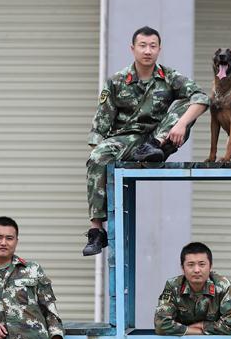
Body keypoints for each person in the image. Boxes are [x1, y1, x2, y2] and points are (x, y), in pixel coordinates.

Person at [83, 26, 210, 256]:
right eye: (143, 45)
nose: (148, 51)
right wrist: (103, 164)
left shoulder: (169, 77)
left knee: (187, 103)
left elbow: (201, 97)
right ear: (133, 49)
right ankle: (96, 231)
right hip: (126, 141)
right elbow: (99, 129)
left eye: (153, 46)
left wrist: (180, 124)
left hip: (160, 141)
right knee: (96, 156)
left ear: (159, 49)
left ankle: (154, 147)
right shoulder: (116, 82)